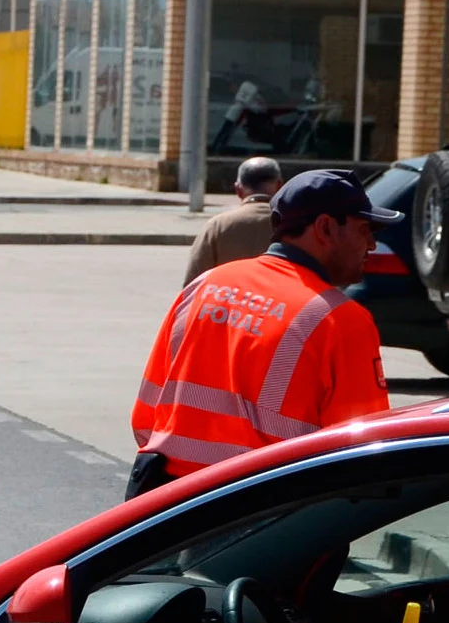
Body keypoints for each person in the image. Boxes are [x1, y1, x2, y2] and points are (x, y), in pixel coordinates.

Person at [128, 170, 402, 497]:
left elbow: (146, 415)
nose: (372, 243)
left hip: (166, 505)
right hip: (264, 514)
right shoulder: (341, 320)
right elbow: (362, 457)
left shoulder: (207, 284)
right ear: (326, 228)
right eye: (364, 229)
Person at [183, 155, 288, 281]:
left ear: (238, 189)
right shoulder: (293, 224)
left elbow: (193, 283)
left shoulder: (218, 226)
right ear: (280, 186)